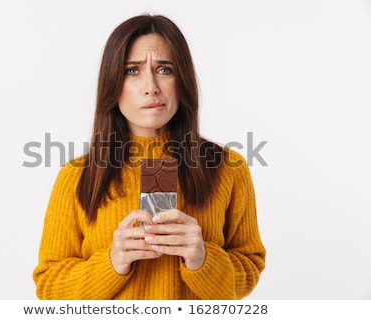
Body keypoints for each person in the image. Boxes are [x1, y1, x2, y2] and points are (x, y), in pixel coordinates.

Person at [33, 14, 266, 300]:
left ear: (183, 80)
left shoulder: (229, 168)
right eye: (132, 71)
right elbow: (49, 286)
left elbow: (250, 266)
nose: (150, 86)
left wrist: (203, 259)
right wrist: (112, 263)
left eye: (165, 69)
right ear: (112, 85)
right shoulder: (77, 176)